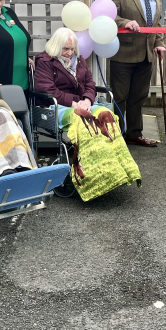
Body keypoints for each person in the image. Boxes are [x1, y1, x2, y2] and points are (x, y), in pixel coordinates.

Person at [34, 28, 141, 201]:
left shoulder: (79, 60)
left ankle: (119, 168)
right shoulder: (45, 61)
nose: (69, 53)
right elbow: (46, 90)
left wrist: (88, 100)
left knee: (106, 114)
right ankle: (91, 176)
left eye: (72, 49)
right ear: (55, 46)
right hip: (56, 106)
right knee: (85, 120)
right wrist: (74, 103)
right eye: (65, 49)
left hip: (82, 104)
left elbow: (90, 84)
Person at [107, 0, 166, 148]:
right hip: (124, 52)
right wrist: (125, 23)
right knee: (120, 96)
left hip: (146, 53)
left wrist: (160, 42)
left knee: (138, 97)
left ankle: (134, 134)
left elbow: (156, 22)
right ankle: (118, 136)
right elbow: (109, 16)